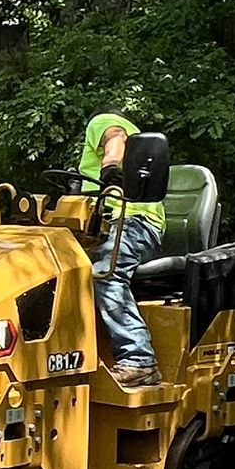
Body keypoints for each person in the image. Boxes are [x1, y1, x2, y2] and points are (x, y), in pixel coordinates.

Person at [79, 110, 165, 387]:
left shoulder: (103, 122)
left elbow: (116, 138)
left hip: (132, 222)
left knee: (106, 273)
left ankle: (139, 360)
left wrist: (111, 168)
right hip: (105, 224)